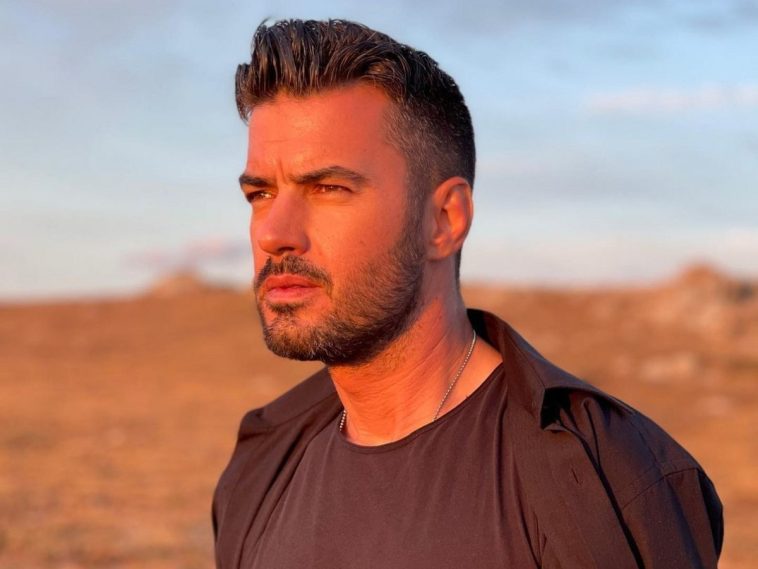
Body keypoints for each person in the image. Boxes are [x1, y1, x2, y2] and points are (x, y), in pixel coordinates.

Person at [213, 19, 723, 569]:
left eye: (328, 188)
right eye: (260, 194)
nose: (273, 232)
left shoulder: (607, 478)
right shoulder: (262, 465)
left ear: (444, 219)